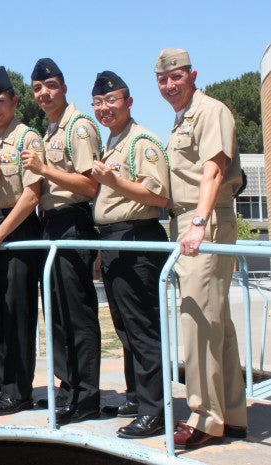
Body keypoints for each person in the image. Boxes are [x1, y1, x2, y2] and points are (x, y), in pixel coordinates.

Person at [155, 48, 247, 448]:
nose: (169, 84)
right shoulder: (182, 119)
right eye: (162, 79)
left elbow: (213, 168)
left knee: (195, 318)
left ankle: (204, 417)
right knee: (215, 321)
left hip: (204, 219)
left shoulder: (211, 111)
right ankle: (232, 413)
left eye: (176, 76)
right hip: (195, 217)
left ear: (192, 75)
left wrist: (197, 224)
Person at [89, 71, 170, 438]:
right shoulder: (114, 142)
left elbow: (159, 196)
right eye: (99, 103)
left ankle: (156, 411)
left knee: (143, 327)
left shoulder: (142, 142)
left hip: (136, 238)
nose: (105, 108)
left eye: (112, 100)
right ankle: (139, 396)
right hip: (114, 240)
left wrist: (113, 181)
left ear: (129, 102)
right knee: (124, 327)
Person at [21, 58, 101, 425]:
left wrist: (44, 170)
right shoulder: (51, 131)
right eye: (37, 88)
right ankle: (67, 389)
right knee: (57, 315)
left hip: (73, 223)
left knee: (77, 314)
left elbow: (90, 186)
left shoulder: (78, 127)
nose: (43, 93)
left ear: (64, 87)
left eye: (50, 85)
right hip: (51, 225)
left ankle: (86, 397)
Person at [0, 66, 44, 416]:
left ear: (14, 101)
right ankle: (2, 386)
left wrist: (0, 235)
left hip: (17, 229)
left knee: (18, 314)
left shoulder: (26, 138)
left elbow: (32, 194)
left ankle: (19, 391)